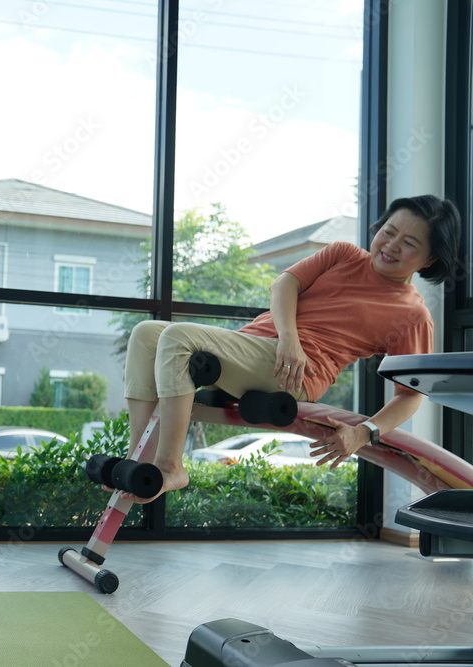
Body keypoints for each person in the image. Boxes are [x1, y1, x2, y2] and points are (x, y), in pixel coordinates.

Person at [120, 195, 462, 504]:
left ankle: (170, 466)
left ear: (430, 259)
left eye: (409, 243)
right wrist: (289, 338)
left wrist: (365, 432)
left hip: (295, 375)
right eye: (389, 232)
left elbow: (411, 394)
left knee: (178, 336)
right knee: (147, 332)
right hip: (259, 349)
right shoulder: (342, 253)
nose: (391, 245)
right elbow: (285, 283)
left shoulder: (412, 315)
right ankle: (139, 461)